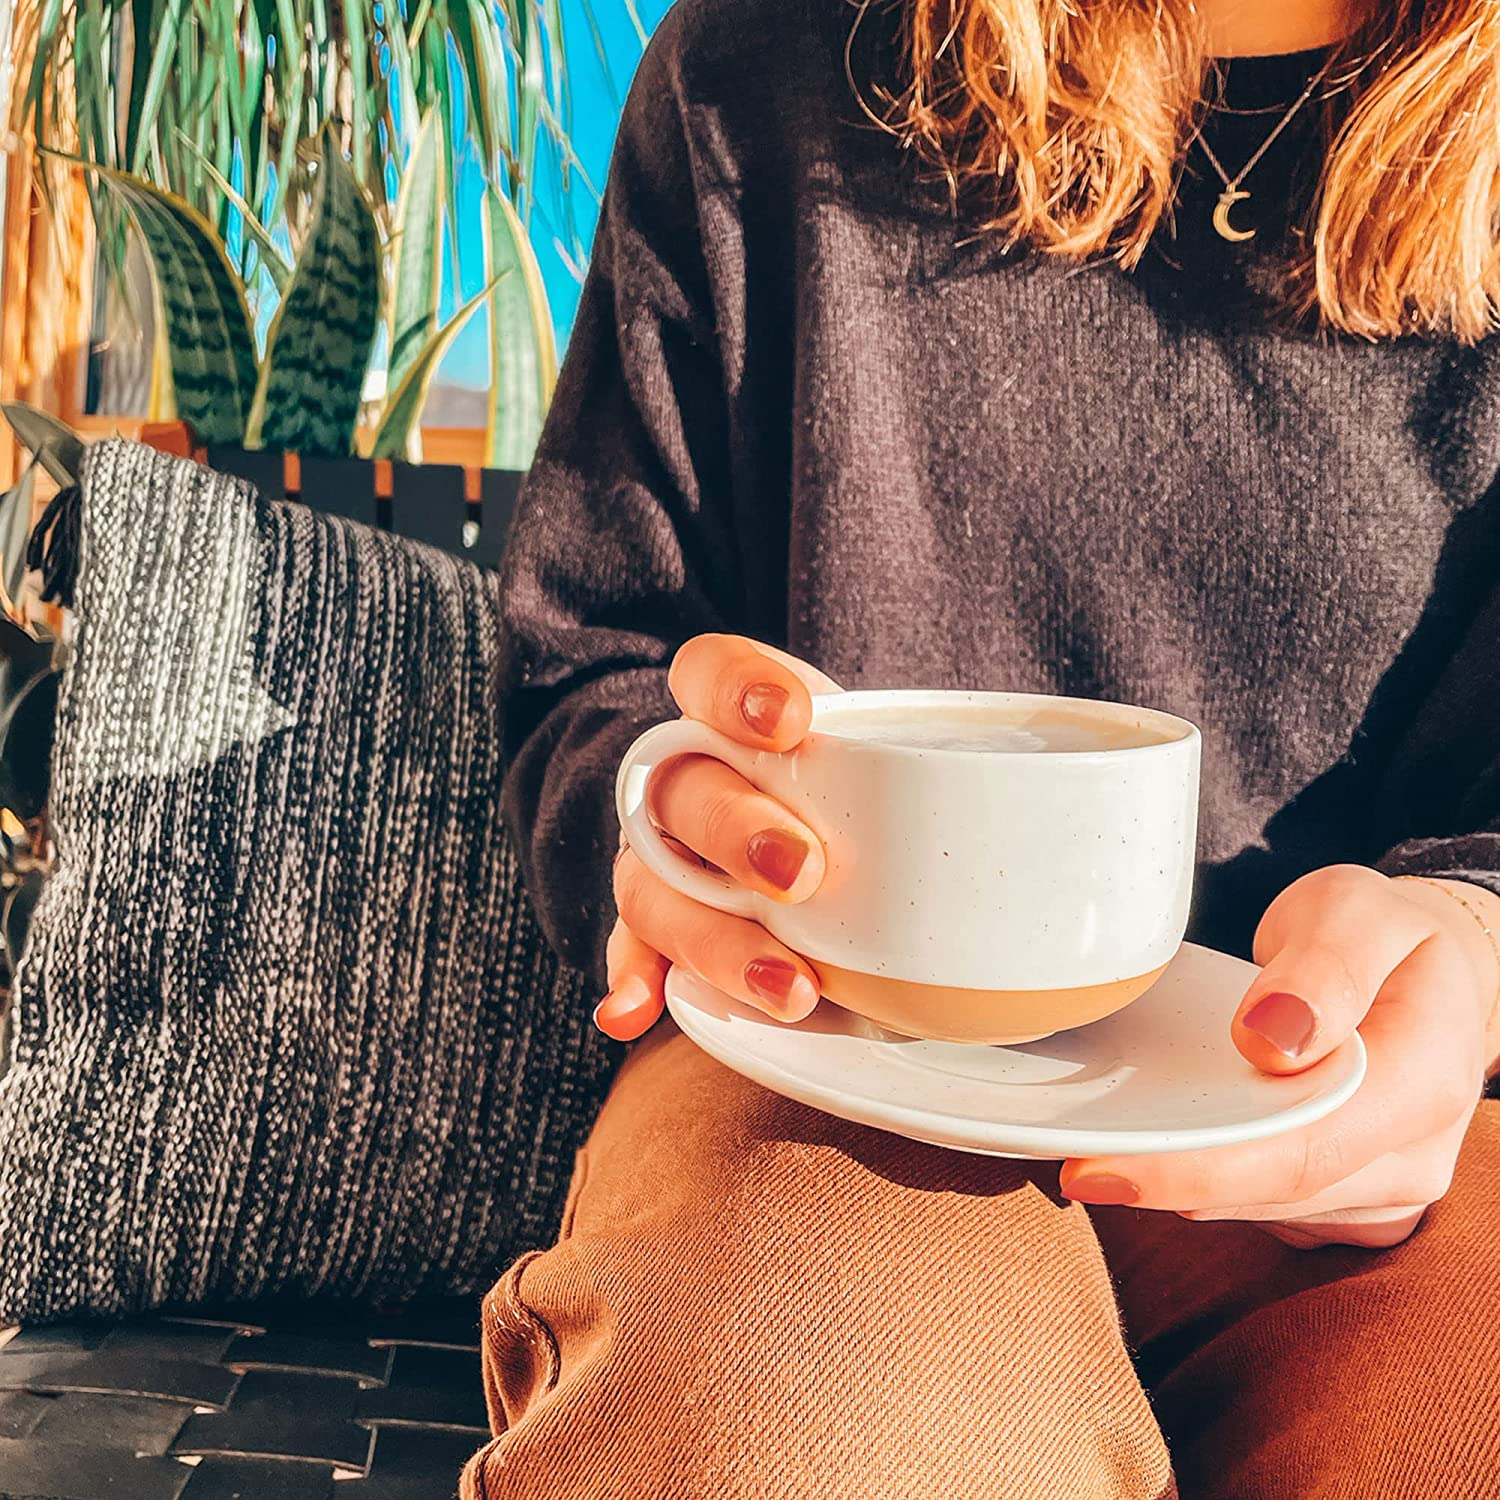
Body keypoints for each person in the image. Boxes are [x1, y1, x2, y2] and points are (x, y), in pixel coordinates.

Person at [461, 0, 1500, 1493]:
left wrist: (1473, 944)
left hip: (1386, 1132)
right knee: (801, 1436)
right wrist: (658, 802)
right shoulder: (766, 75)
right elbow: (595, 660)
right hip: (825, 1061)